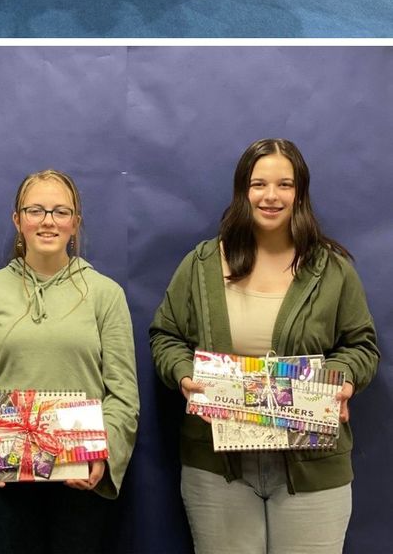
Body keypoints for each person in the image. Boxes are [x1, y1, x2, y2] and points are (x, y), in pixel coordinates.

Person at [150, 139, 379, 554]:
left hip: (312, 466)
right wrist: (184, 375)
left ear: (300, 193)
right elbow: (165, 336)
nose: (271, 196)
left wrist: (341, 382)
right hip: (218, 469)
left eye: (284, 185)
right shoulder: (201, 265)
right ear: (243, 191)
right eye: (259, 184)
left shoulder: (332, 269)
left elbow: (361, 346)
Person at [0, 169, 139, 554]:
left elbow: (123, 393)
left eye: (60, 211)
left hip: (81, 473)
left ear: (75, 223)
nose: (48, 221)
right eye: (36, 210)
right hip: (7, 473)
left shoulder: (105, 294)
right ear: (17, 220)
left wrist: (102, 455)